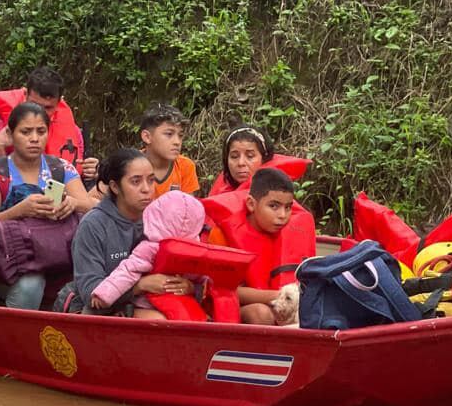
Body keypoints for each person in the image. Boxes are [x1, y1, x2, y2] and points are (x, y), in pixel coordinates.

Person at [0, 101, 94, 309]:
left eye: (41, 131)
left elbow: (91, 207)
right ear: (10, 134)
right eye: (26, 132)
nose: (34, 139)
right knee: (31, 285)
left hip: (60, 257)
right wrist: (20, 210)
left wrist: (73, 203)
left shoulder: (61, 168)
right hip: (14, 265)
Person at [70, 148, 192, 315]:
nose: (146, 189)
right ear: (115, 187)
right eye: (136, 181)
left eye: (151, 180)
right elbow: (90, 292)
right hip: (102, 312)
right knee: (158, 321)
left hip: (156, 302)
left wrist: (187, 286)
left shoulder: (162, 219)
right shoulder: (93, 225)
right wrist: (140, 286)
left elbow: (192, 271)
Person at [205, 168, 315, 325]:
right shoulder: (222, 234)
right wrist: (283, 296)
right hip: (234, 308)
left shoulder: (294, 233)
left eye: (288, 207)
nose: (283, 215)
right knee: (261, 314)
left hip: (284, 304)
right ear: (251, 204)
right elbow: (222, 289)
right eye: (274, 206)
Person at [91, 192, 206, 319]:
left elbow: (128, 270)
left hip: (161, 303)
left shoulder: (151, 248)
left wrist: (103, 294)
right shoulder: (196, 252)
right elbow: (205, 279)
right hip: (158, 305)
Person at [0, 66, 99, 185]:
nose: (40, 113)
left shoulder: (74, 132)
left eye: (48, 108)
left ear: (59, 102)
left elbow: (79, 176)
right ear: (25, 95)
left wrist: (91, 171)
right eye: (35, 105)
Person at [206, 125, 310, 197]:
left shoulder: (276, 196)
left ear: (264, 159)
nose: (241, 163)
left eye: (250, 156)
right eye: (234, 156)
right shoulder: (219, 191)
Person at [140, 104, 200, 197]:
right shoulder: (130, 166)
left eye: (180, 135)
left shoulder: (185, 166)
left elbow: (187, 204)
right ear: (147, 137)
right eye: (169, 134)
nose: (177, 142)